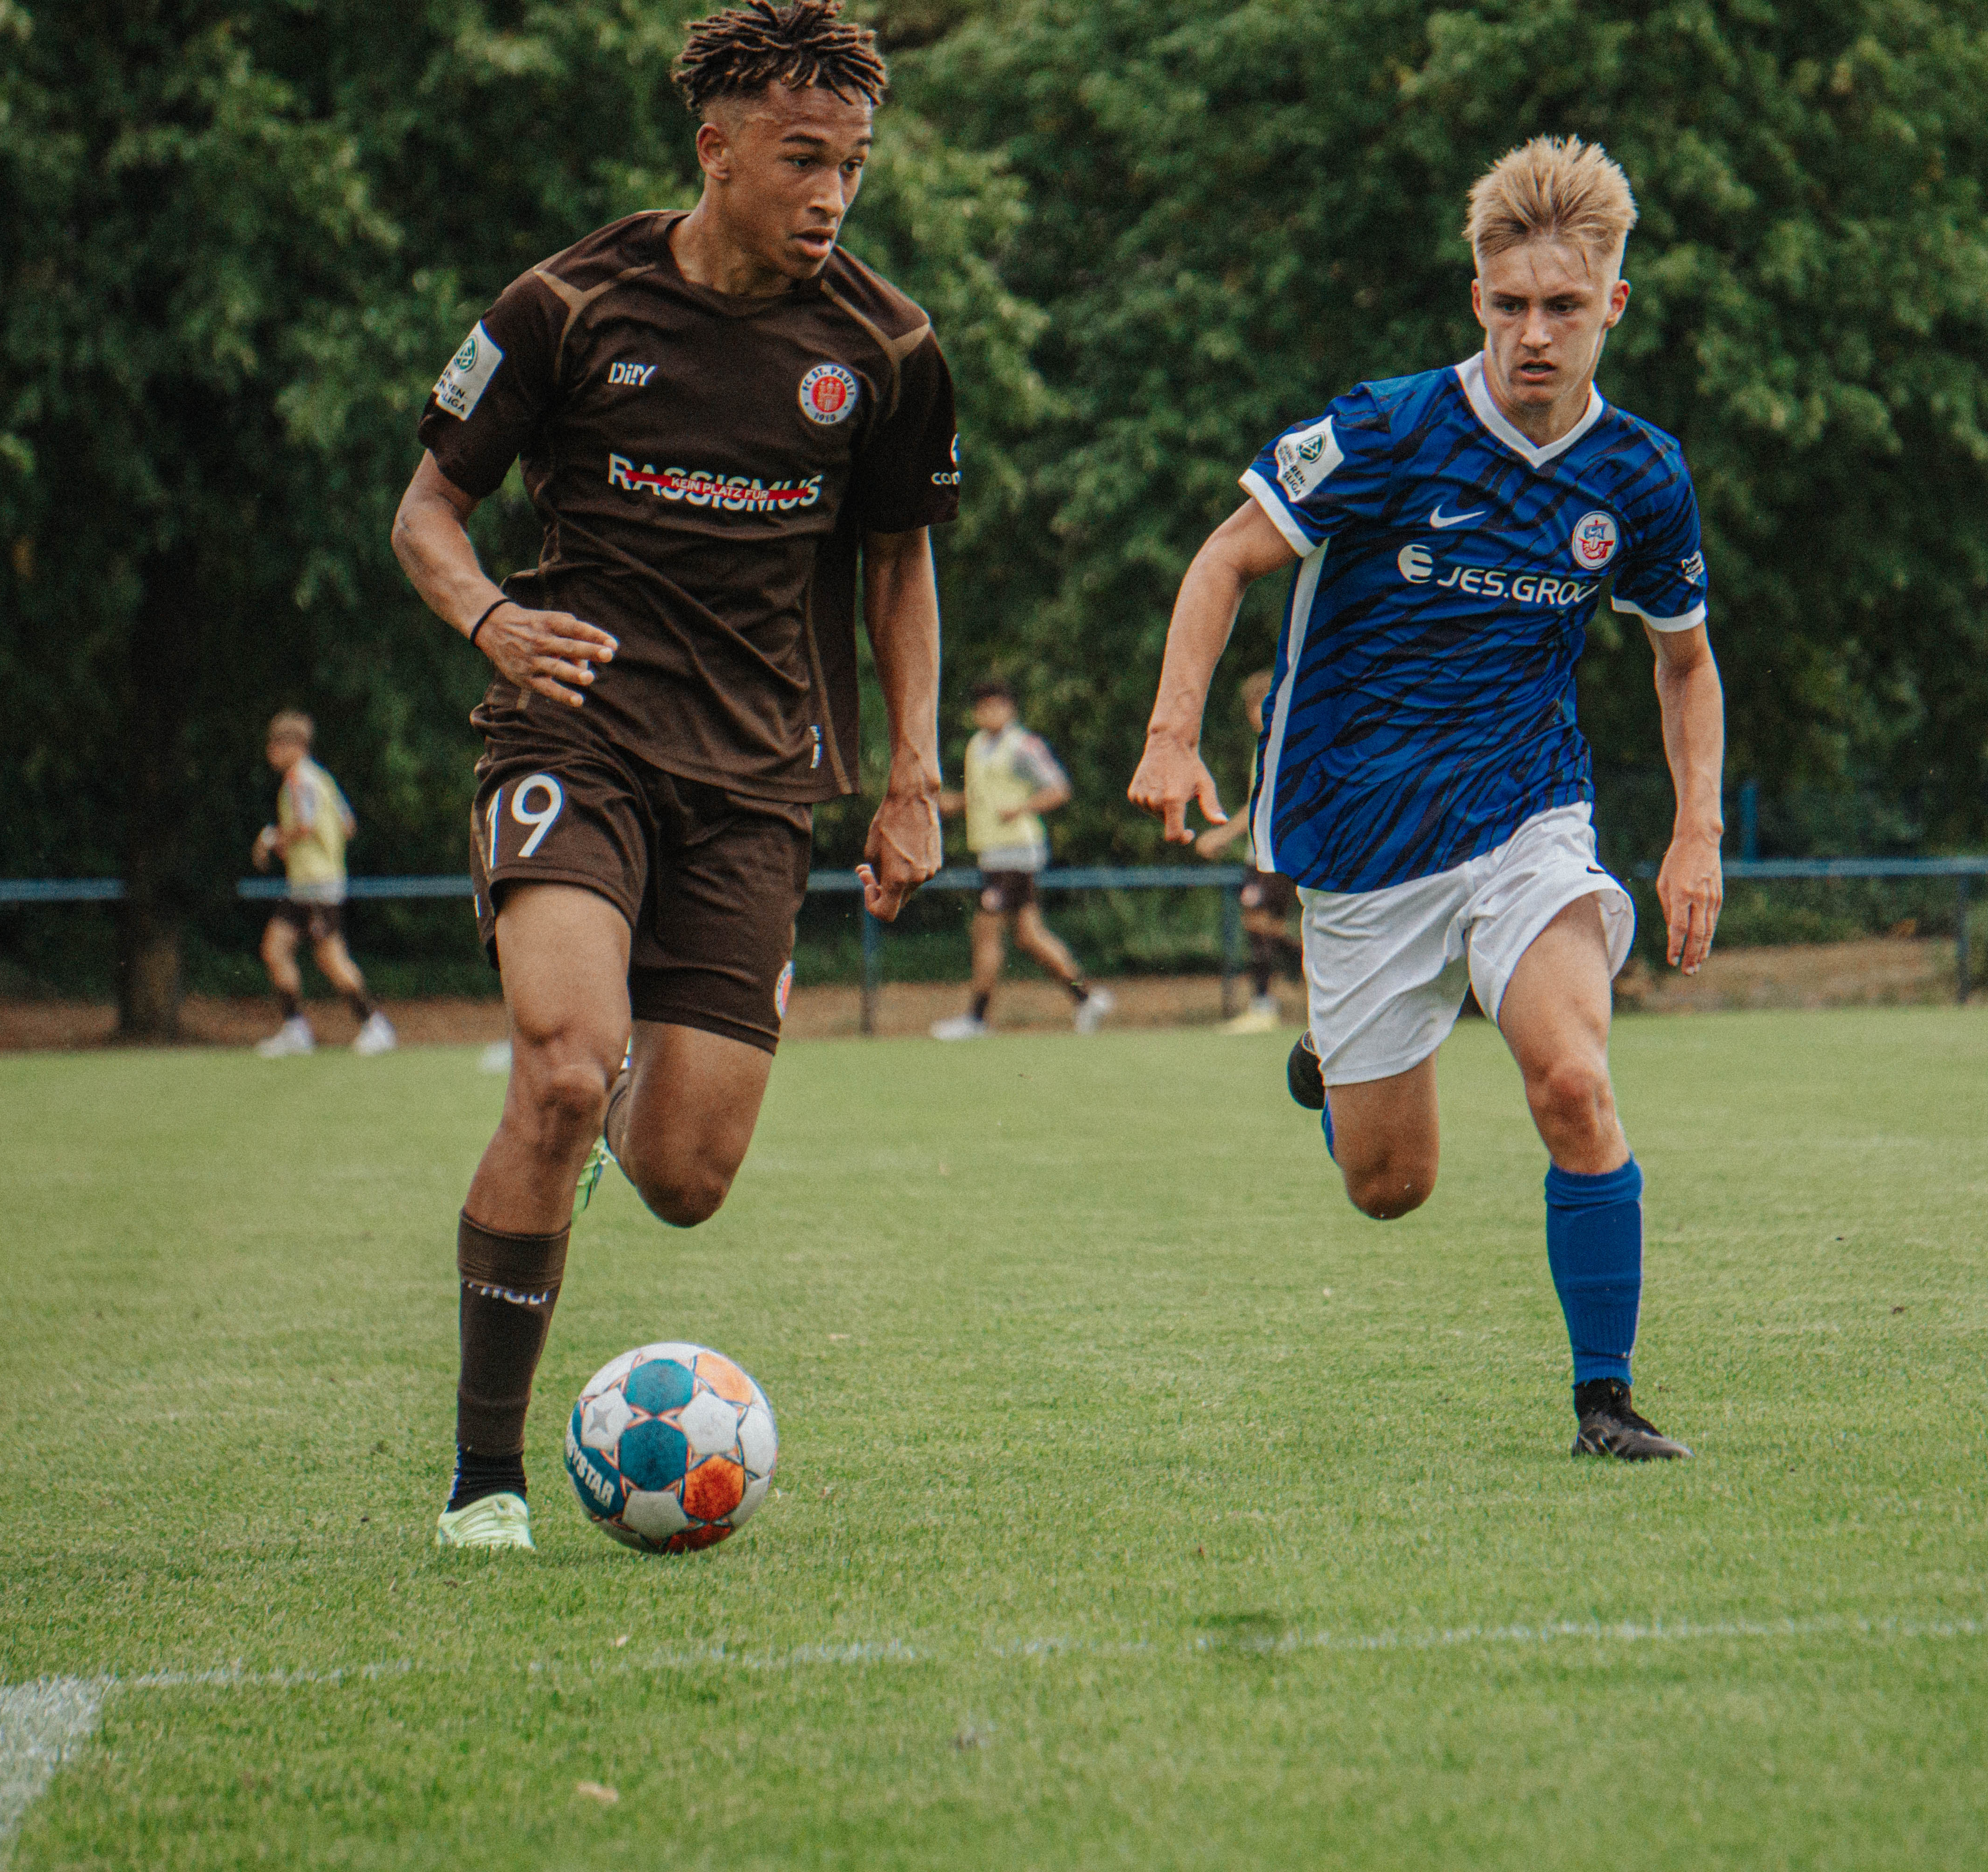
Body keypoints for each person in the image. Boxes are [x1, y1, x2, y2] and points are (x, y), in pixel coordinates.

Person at [388, 0, 955, 1550]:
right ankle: (484, 1482)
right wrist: (495, 621)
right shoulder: (568, 307)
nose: (832, 195)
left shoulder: (887, 348)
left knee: (689, 1180)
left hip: (760, 779)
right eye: (800, 161)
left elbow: (900, 567)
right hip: (576, 737)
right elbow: (426, 514)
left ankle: (600, 1095)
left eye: (851, 164)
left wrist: (915, 777)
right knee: (563, 1066)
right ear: (715, 152)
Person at [1129, 136, 1726, 1462]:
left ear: (1611, 308)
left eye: (1563, 308)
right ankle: (1334, 1074)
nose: (1534, 334)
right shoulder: (1388, 430)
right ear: (1477, 302)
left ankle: (1606, 1404)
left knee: (1574, 1079)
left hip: (1531, 817)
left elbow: (1682, 663)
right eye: (1510, 305)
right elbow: (1224, 560)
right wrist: (1174, 739)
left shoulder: (1640, 476)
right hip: (1360, 836)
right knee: (1390, 1189)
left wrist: (1698, 833)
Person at [930, 680, 1113, 1038]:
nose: (990, 712)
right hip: (992, 852)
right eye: (983, 706)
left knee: (986, 932)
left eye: (997, 705)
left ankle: (978, 1019)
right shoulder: (977, 746)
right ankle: (1087, 997)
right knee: (1030, 936)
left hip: (1015, 851)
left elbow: (1059, 789)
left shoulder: (1023, 746)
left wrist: (1022, 808)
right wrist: (952, 804)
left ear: (1010, 709)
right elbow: (983, 796)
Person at [249, 711, 396, 1058]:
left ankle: (374, 1025)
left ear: (294, 746)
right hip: (308, 884)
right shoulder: (323, 780)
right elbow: (347, 825)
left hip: (315, 885)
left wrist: (272, 840)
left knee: (331, 958)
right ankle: (295, 1029)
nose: (271, 752)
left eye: (276, 745)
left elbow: (305, 824)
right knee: (275, 949)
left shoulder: (299, 781)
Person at [1192, 668, 1298, 1034]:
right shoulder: (1265, 745)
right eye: (1252, 706)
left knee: (1260, 924)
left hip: (1278, 850)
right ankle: (1293, 980)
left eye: (1262, 704)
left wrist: (1222, 836)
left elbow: (1261, 805)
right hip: (1262, 852)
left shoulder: (1283, 745)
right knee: (1263, 925)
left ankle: (1265, 1005)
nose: (1255, 713)